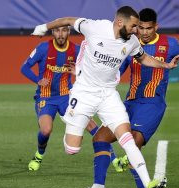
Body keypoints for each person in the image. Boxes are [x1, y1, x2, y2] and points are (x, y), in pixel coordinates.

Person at [31, 6, 179, 188]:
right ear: (120, 22)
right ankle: (71, 117)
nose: (136, 30)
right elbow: (68, 20)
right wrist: (44, 27)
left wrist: (166, 65)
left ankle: (148, 186)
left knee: (126, 138)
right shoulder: (95, 28)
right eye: (134, 26)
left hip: (108, 95)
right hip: (84, 93)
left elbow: (144, 58)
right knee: (72, 149)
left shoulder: (132, 42)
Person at [78, 8, 179, 188]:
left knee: (133, 144)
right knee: (99, 138)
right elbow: (117, 68)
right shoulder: (130, 43)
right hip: (130, 102)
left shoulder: (170, 44)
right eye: (140, 28)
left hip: (152, 103)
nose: (144, 32)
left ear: (156, 27)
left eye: (148, 28)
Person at [21, 26, 121, 171]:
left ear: (69, 32)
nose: (60, 34)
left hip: (67, 96)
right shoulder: (43, 48)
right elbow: (24, 68)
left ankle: (115, 160)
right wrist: (38, 80)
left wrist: (79, 72)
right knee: (46, 130)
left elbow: (90, 68)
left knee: (91, 125)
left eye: (63, 30)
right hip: (46, 97)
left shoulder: (77, 50)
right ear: (52, 32)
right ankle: (39, 155)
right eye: (57, 31)